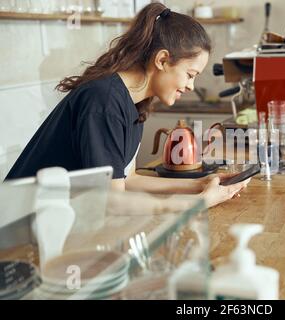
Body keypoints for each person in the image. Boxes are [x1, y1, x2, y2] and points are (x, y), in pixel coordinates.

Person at [5, 3, 249, 210]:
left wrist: (202, 183)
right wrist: (197, 203)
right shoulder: (103, 101)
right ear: (162, 60)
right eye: (190, 74)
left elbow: (127, 179)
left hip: (54, 224)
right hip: (19, 231)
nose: (190, 86)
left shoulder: (134, 102)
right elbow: (113, 202)